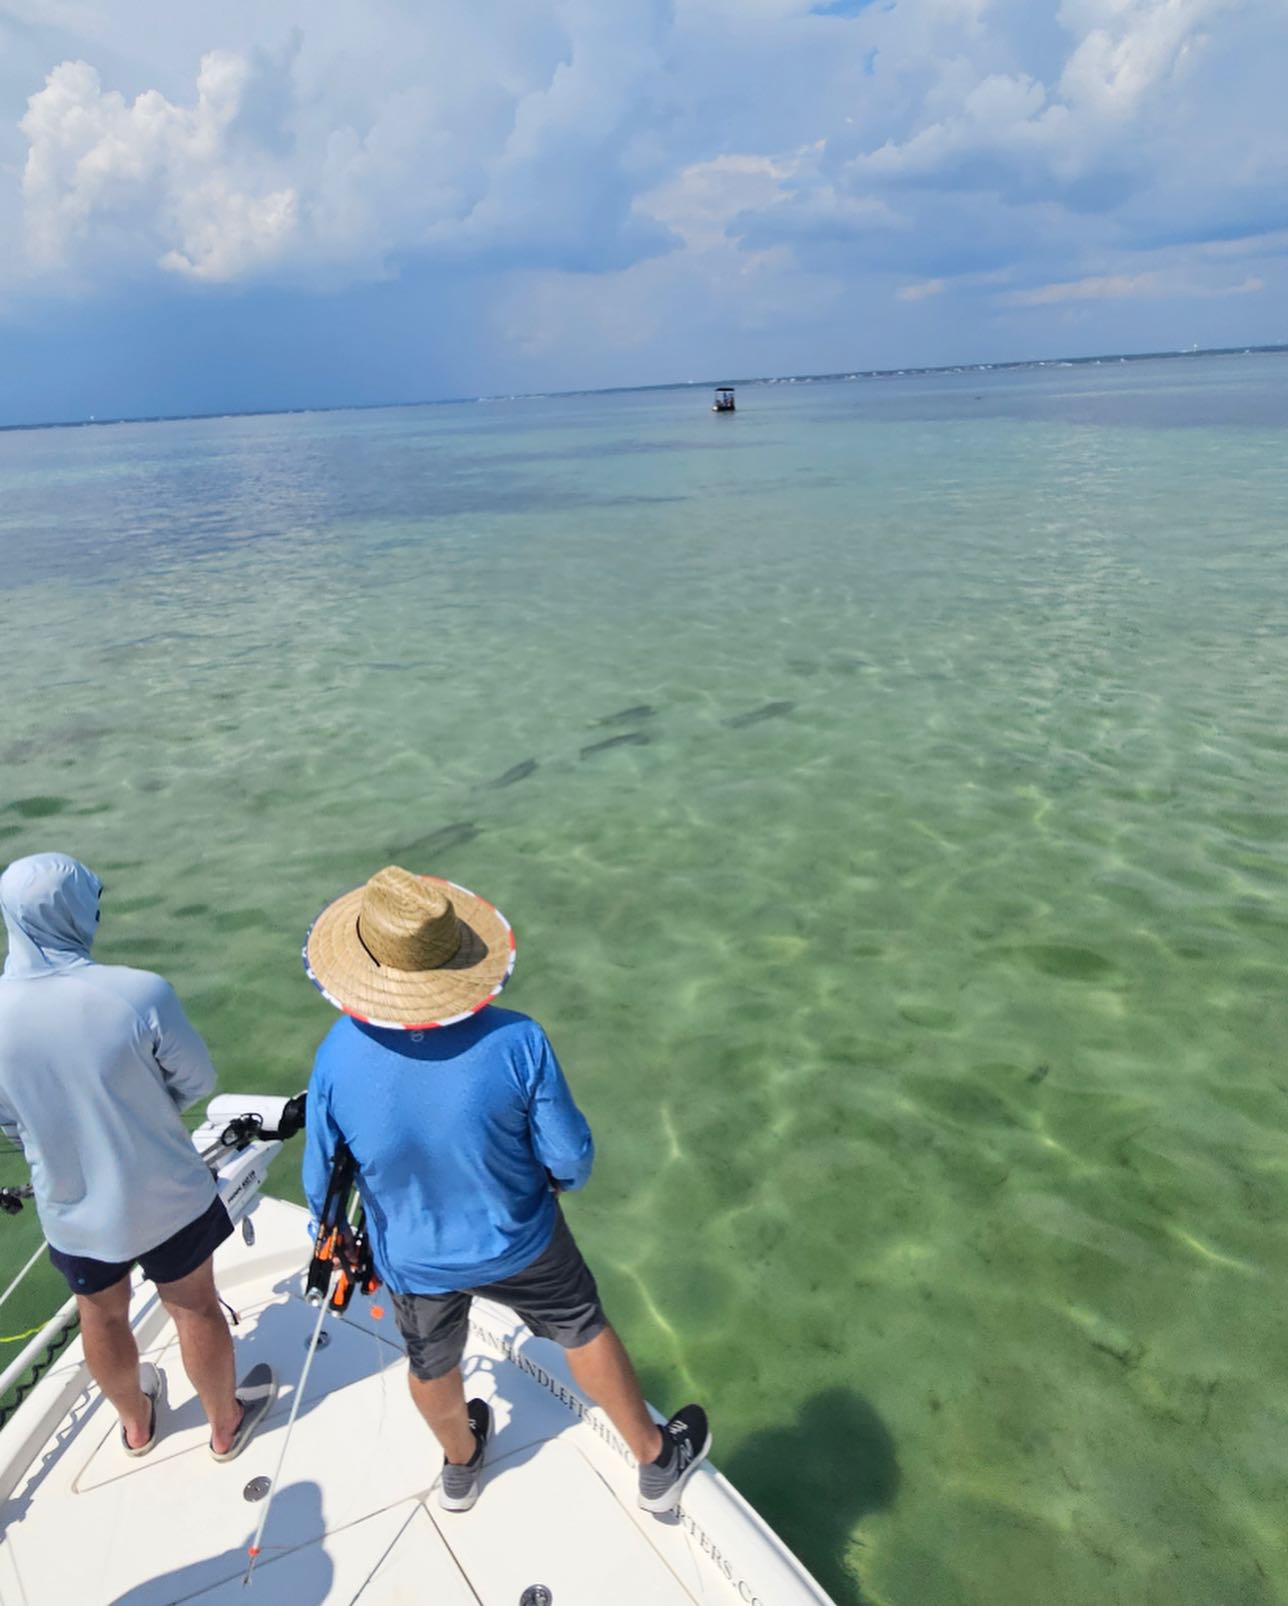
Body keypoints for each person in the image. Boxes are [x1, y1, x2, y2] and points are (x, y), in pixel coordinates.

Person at [301, 864, 710, 1514]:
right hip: (522, 1239)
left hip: (412, 1257)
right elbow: (570, 1155)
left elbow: (321, 1180)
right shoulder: (518, 1040)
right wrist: (559, 1183)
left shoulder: (335, 1053)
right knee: (581, 1326)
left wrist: (338, 1241)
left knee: (431, 1361)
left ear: (368, 962)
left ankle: (461, 1467)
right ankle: (656, 1459)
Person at [0, 853, 275, 1461]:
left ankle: (135, 1423)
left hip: (70, 1206)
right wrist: (145, 1109)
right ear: (73, 912)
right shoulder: (138, 991)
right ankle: (225, 1424)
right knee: (194, 1306)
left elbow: (9, 1122)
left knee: (99, 1316)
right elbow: (197, 1082)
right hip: (165, 1194)